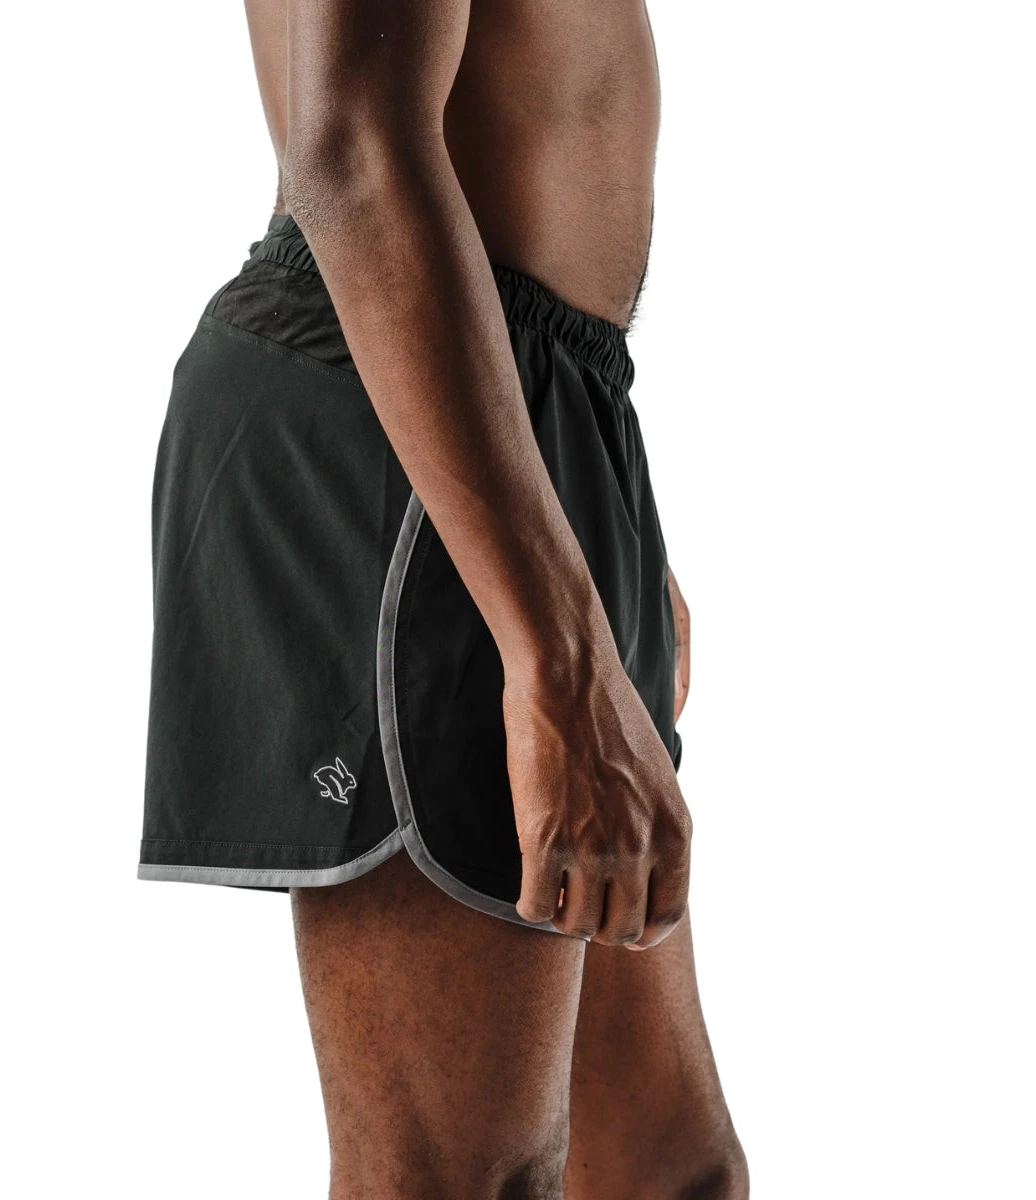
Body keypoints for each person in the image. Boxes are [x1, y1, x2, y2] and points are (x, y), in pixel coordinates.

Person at [138, 1, 747, 1196]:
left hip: (535, 415)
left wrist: (593, 538)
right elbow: (351, 158)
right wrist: (558, 648)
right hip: (402, 443)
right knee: (458, 1179)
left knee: (667, 1173)